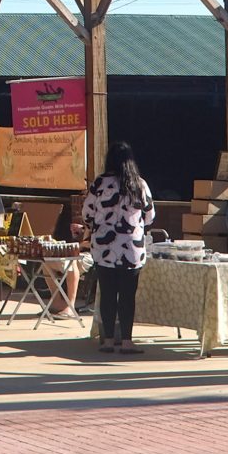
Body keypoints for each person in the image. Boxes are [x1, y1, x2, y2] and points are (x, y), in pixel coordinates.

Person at [83, 140, 155, 355]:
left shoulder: (100, 183)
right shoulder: (139, 184)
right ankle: (126, 341)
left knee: (107, 293)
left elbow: (87, 213)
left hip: (104, 248)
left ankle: (106, 341)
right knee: (127, 296)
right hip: (131, 250)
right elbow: (150, 216)